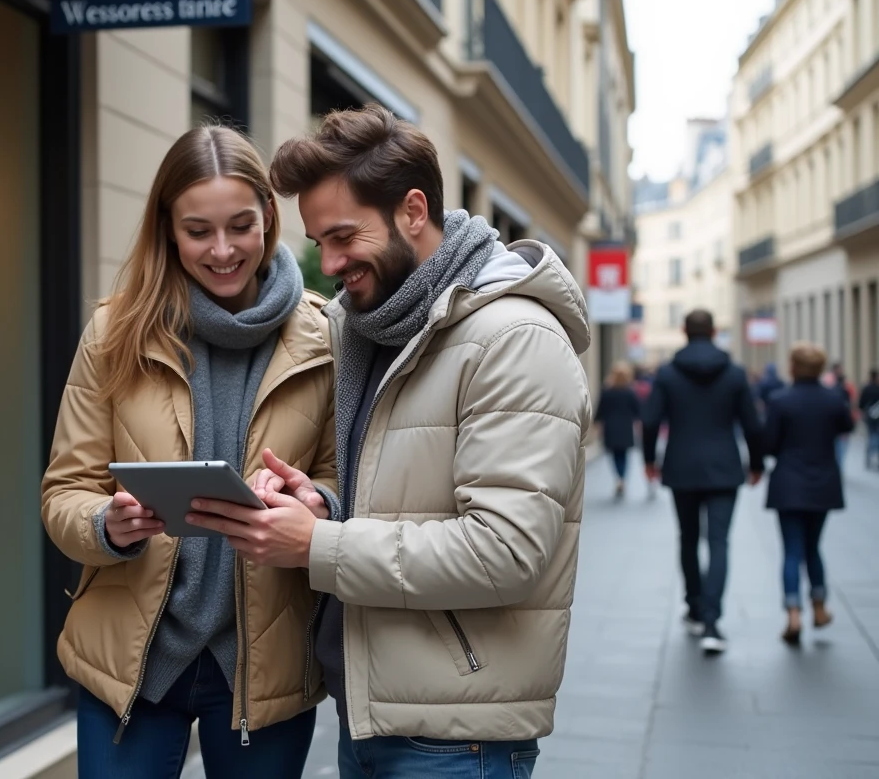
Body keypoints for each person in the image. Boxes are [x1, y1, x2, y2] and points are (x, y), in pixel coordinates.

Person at [186, 104, 591, 779]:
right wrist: (321, 505)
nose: (330, 264)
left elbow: (506, 552)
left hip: (458, 738)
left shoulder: (514, 339)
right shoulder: (376, 328)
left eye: (344, 236)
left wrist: (316, 545)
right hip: (375, 713)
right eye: (319, 242)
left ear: (412, 210)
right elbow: (399, 502)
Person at [41, 126, 337, 778]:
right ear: (168, 229)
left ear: (269, 215)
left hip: (264, 666)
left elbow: (342, 481)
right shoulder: (114, 333)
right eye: (198, 230)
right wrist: (107, 525)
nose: (223, 250)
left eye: (240, 225)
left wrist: (318, 504)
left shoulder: (326, 337)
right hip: (130, 662)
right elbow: (64, 492)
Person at [642, 309, 764, 656]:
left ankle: (694, 606)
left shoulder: (668, 373)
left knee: (688, 538)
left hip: (681, 466)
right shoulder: (735, 373)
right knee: (719, 541)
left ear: (684, 330)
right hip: (724, 467)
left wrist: (649, 460)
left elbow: (650, 421)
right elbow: (752, 424)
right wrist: (757, 464)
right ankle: (712, 621)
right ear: (713, 332)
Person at [764, 343, 854, 645]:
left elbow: (770, 443)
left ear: (793, 367)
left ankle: (793, 613)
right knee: (813, 547)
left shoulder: (780, 400)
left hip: (789, 483)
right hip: (823, 482)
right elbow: (847, 426)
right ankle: (819, 606)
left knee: (792, 550)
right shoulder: (833, 398)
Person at [595, 361, 641, 498]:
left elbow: (600, 410)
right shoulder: (630, 392)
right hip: (626, 428)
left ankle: (618, 477)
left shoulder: (607, 392)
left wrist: (597, 425)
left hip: (611, 427)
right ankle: (622, 478)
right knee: (624, 455)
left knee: (615, 455)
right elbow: (637, 411)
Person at [822, 363, 856, 465]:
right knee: (840, 448)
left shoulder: (831, 388)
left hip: (833, 425)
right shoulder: (841, 390)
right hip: (837, 424)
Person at [860, 369, 879, 471]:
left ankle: (869, 458)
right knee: (875, 436)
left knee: (871, 435)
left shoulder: (866, 388)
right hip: (876, 417)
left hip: (869, 416)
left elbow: (861, 403)